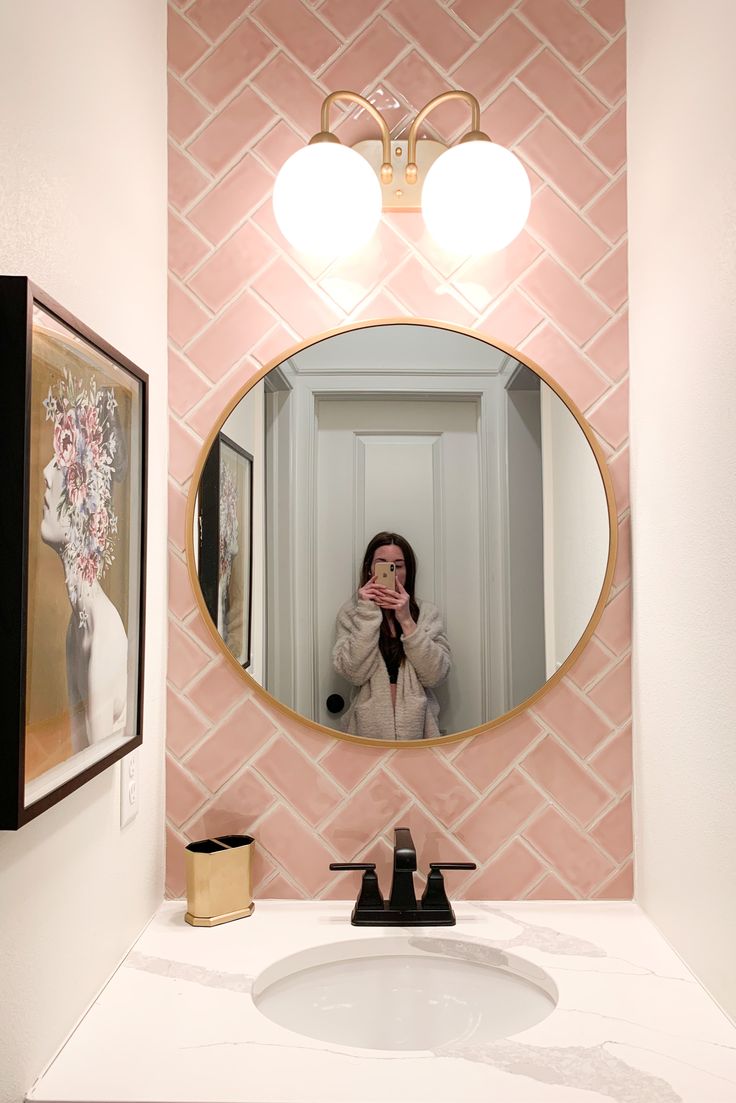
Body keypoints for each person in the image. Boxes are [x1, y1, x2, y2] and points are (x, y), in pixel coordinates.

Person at [41, 373, 128, 752]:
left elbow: (94, 768)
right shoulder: (78, 626)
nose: (45, 472)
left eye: (61, 460)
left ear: (83, 494)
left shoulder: (104, 635)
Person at [332, 531, 450, 741]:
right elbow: (353, 672)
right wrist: (367, 613)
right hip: (364, 736)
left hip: (419, 735)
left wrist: (406, 621)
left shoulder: (426, 613)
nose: (392, 573)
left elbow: (436, 675)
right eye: (382, 564)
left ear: (408, 571)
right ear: (370, 569)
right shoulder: (352, 614)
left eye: (398, 565)